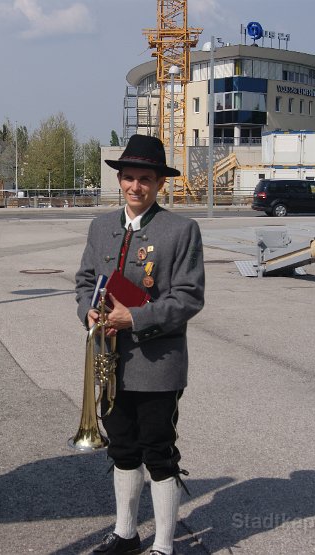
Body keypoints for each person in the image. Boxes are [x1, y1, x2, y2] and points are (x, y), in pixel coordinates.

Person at [75, 134, 205, 555]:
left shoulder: (181, 230)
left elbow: (188, 297)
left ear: (159, 184)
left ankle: (164, 546)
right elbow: (84, 283)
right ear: (119, 181)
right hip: (110, 362)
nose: (135, 187)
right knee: (123, 449)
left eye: (144, 179)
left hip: (157, 363)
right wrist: (89, 312)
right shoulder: (100, 227)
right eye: (128, 178)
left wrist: (136, 317)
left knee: (158, 452)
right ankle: (126, 533)